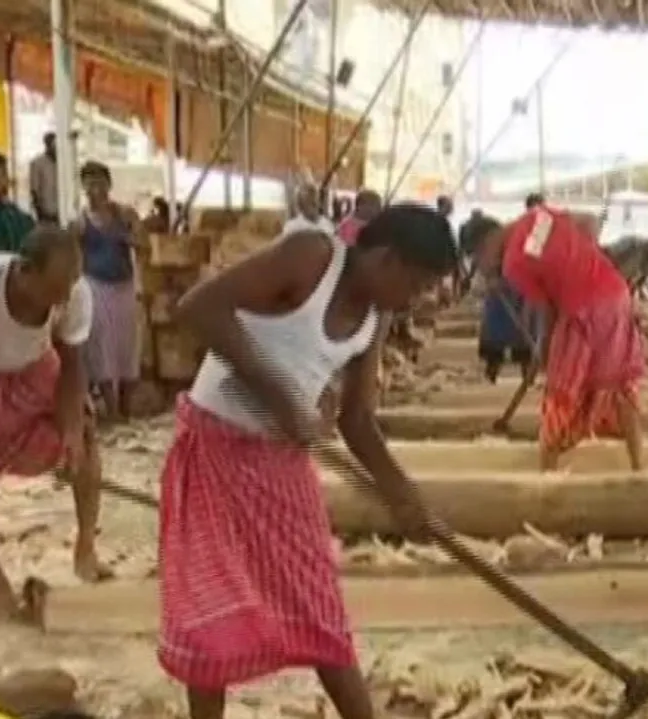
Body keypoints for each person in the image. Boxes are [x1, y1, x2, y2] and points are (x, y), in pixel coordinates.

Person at [157, 205, 457, 719]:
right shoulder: (311, 258)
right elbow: (198, 308)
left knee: (318, 604)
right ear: (387, 259)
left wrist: (401, 494)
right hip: (212, 448)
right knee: (209, 614)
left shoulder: (376, 317)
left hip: (280, 461)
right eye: (419, 283)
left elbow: (357, 419)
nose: (419, 299)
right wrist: (278, 395)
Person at [0, 226, 114, 620]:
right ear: (25, 271)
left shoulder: (74, 293)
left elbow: (72, 363)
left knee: (82, 434)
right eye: (55, 287)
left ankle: (85, 551)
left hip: (34, 370)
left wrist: (68, 429)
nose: (65, 296)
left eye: (71, 284)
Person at [488, 204, 645, 471]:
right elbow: (589, 222)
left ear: (487, 244)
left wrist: (546, 352)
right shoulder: (539, 216)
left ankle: (546, 472)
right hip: (615, 293)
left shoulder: (513, 262)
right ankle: (637, 465)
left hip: (582, 308)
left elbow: (548, 311)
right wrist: (582, 262)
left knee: (560, 392)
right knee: (620, 386)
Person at [70, 162, 143, 422]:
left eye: (99, 183)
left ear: (109, 185)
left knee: (126, 346)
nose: (95, 189)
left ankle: (126, 406)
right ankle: (112, 411)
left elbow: (143, 244)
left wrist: (131, 236)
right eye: (89, 184)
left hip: (123, 285)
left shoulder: (125, 215)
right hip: (95, 286)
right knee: (102, 347)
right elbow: (74, 258)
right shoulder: (79, 222)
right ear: (83, 188)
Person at [474, 215, 539, 382]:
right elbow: (484, 265)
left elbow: (534, 263)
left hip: (522, 289)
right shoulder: (494, 242)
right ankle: (491, 375)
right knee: (494, 339)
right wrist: (491, 278)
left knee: (524, 336)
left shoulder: (533, 237)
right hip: (500, 294)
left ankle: (528, 377)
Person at [603, 227, 648, 295]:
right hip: (605, 279)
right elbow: (605, 254)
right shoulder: (632, 243)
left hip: (618, 288)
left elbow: (639, 279)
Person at [28, 132, 72, 224]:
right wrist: (39, 212)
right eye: (52, 144)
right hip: (46, 212)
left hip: (63, 211)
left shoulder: (63, 162)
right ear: (47, 145)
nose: (55, 147)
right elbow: (34, 190)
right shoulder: (37, 163)